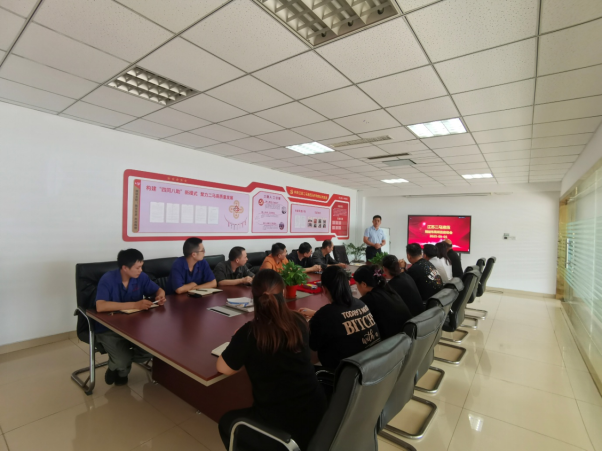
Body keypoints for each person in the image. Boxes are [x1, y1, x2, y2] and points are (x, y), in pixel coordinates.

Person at [217, 270, 327, 451]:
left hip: (282, 424)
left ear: (254, 297)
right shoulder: (299, 321)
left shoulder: (250, 332)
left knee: (226, 422)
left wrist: (237, 339)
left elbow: (223, 368)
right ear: (283, 293)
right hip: (317, 411)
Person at [95, 249, 166, 386]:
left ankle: (119, 364)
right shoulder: (107, 279)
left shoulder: (141, 277)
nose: (141, 270)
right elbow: (100, 306)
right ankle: (119, 368)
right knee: (121, 361)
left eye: (141, 266)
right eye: (137, 267)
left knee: (154, 350)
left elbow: (158, 289)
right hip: (109, 328)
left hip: (134, 326)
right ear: (125, 268)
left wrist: (160, 295)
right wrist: (135, 304)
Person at [297, 267, 381, 371]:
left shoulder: (325, 314)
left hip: (345, 374)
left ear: (324, 289)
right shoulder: (361, 303)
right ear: (348, 283)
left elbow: (312, 345)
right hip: (373, 367)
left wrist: (301, 321)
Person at [353, 265, 412, 339]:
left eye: (357, 284)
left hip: (393, 341)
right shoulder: (388, 289)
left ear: (363, 284)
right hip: (407, 337)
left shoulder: (369, 299)